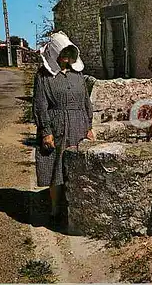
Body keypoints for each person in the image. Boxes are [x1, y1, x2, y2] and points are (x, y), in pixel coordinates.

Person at [32, 31, 94, 223]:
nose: (66, 56)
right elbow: (40, 105)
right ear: (54, 53)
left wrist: (89, 126)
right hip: (56, 124)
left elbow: (85, 101)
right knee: (55, 167)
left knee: (78, 167)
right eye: (62, 52)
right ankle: (54, 208)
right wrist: (46, 132)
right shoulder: (43, 76)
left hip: (79, 124)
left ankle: (76, 206)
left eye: (69, 51)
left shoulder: (78, 75)